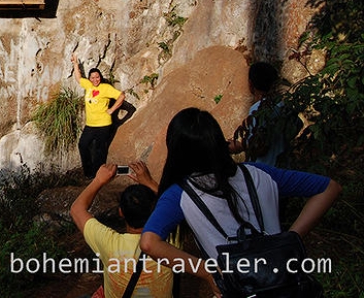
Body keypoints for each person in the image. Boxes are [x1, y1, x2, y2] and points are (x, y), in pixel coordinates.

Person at [139, 108, 342, 296]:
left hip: (237, 287)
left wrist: (207, 272)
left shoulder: (179, 194)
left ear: (176, 153)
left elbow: (149, 243)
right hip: (284, 281)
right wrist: (290, 238)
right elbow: (329, 188)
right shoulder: (259, 173)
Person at [70, 161, 173, 298]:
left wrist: (98, 180)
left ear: (121, 212)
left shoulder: (109, 244)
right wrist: (149, 182)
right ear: (155, 210)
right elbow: (173, 206)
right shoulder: (171, 238)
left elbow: (76, 209)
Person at [228, 61, 292, 166]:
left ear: (250, 84)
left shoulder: (257, 109)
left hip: (266, 168)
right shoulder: (283, 105)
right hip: (285, 166)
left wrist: (240, 146)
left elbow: (260, 147)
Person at [72, 53, 126, 178]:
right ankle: (88, 173)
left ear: (100, 77)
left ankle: (98, 174)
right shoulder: (89, 86)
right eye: (93, 77)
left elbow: (121, 96)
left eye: (97, 77)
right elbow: (78, 78)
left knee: (100, 149)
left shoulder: (105, 88)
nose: (95, 79)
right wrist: (75, 64)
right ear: (90, 79)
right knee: (83, 145)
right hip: (90, 124)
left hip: (103, 124)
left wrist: (112, 110)